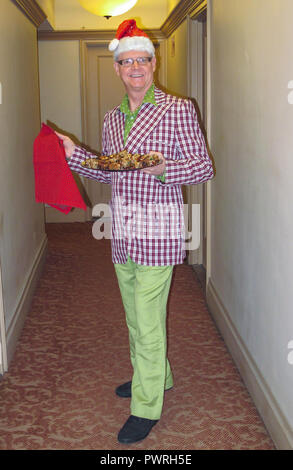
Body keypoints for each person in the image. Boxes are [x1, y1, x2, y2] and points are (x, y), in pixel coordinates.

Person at [56, 19, 214, 445]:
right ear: (117, 69)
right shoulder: (111, 119)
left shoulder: (178, 108)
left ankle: (146, 406)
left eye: (143, 59)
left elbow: (203, 168)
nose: (136, 67)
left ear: (154, 61)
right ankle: (157, 375)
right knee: (134, 316)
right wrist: (74, 154)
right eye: (127, 62)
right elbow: (109, 169)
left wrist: (165, 169)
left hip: (159, 228)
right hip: (122, 228)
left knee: (147, 319)